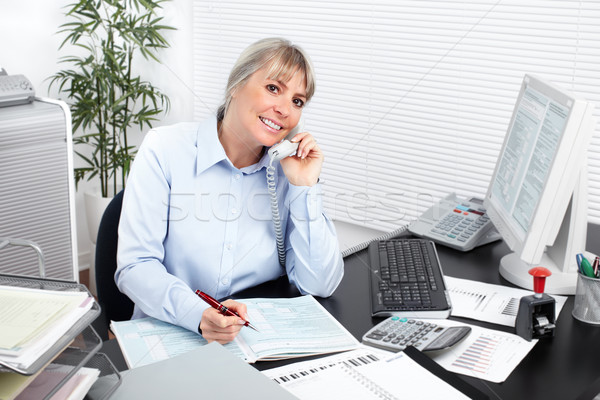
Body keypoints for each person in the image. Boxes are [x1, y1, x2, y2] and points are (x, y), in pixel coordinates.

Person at [115, 38, 344, 344]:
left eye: (297, 101)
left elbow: (320, 285)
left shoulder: (287, 171)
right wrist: (198, 315)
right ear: (236, 85)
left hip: (254, 337)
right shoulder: (164, 149)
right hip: (169, 333)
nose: (284, 110)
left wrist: (305, 187)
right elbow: (135, 266)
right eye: (274, 88)